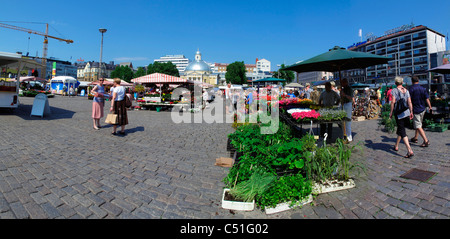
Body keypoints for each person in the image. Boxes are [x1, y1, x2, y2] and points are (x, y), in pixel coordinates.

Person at [389, 76, 414, 158]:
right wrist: (411, 112)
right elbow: (409, 102)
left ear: (395, 83)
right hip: (406, 113)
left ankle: (409, 150)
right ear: (402, 82)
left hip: (399, 114)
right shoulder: (406, 90)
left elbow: (392, 102)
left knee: (402, 131)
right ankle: (396, 145)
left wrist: (391, 112)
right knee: (401, 129)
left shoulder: (394, 90)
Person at [409, 76, 432, 147]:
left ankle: (426, 141)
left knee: (418, 125)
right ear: (418, 80)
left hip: (416, 109)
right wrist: (430, 107)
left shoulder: (411, 89)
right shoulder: (423, 88)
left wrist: (410, 110)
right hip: (423, 109)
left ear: (412, 81)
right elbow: (427, 98)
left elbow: (409, 101)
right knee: (419, 124)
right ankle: (415, 138)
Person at [340, 78, 354, 142]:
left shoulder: (349, 89)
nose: (341, 84)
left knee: (348, 120)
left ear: (345, 82)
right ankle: (344, 135)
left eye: (342, 82)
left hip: (348, 104)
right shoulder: (342, 89)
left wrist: (344, 95)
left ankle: (349, 137)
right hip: (344, 104)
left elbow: (351, 97)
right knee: (342, 121)